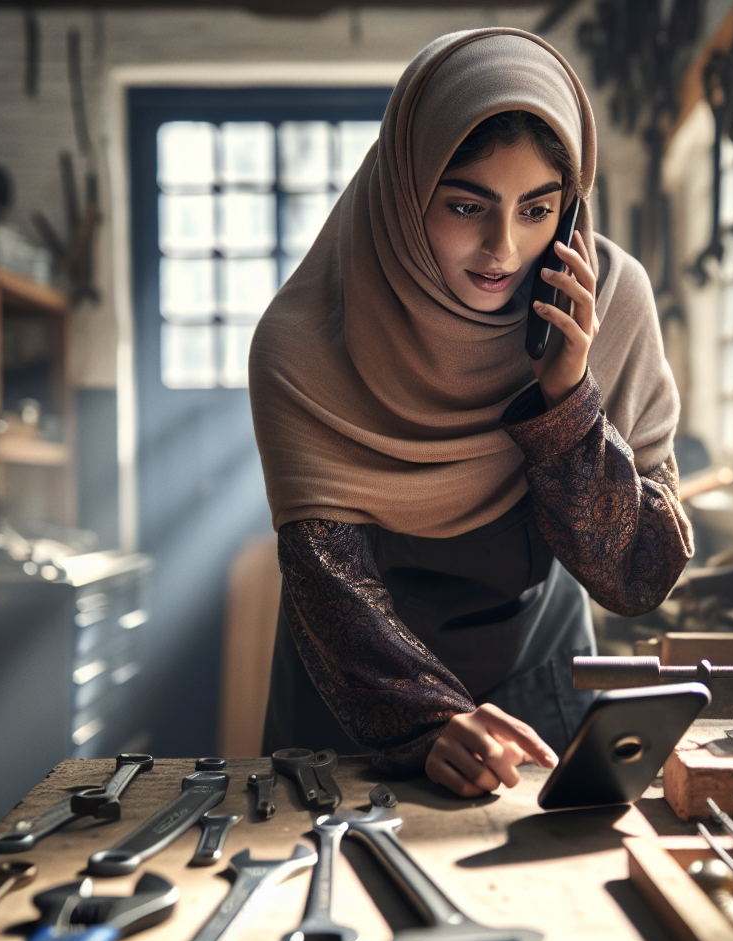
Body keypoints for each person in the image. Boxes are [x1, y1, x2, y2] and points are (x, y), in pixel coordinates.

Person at [249, 28, 691, 798]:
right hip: (360, 708)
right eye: (465, 205)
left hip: (537, 696)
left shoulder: (608, 300)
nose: (504, 249)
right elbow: (329, 580)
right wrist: (425, 721)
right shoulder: (301, 342)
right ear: (405, 189)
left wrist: (567, 399)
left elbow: (639, 575)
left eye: (537, 209)